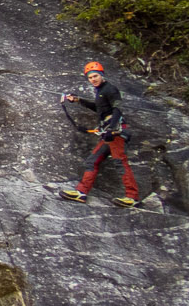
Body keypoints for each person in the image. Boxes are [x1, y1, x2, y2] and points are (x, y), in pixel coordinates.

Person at [60, 61, 140, 207]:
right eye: (90, 78)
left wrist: (111, 128)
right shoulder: (100, 91)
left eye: (96, 76)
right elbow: (99, 108)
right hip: (108, 133)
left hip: (115, 132)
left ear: (102, 75)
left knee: (119, 161)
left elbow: (118, 109)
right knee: (92, 160)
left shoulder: (110, 89)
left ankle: (133, 197)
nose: (93, 79)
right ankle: (81, 192)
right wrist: (78, 100)